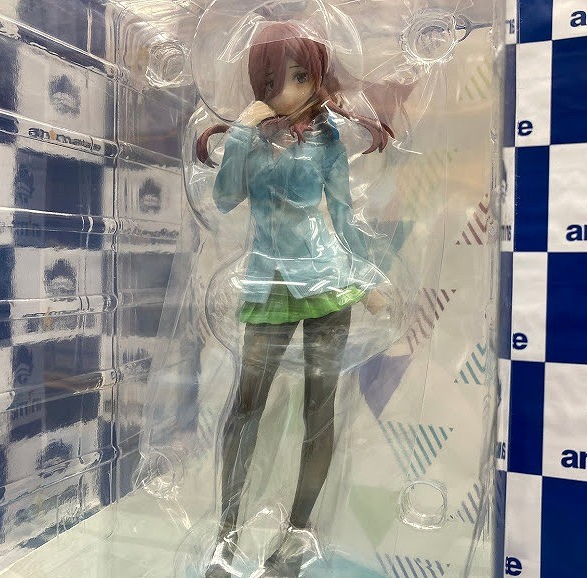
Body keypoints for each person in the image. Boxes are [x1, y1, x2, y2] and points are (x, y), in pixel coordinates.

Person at [195, 21, 393, 577]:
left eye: (300, 76)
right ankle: (225, 537)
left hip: (326, 282)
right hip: (266, 280)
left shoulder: (327, 139)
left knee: (319, 411)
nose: (286, 90)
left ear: (317, 77)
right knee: (245, 405)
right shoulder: (252, 136)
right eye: (273, 80)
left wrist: (367, 278)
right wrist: (240, 131)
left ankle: (297, 537)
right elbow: (226, 198)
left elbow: (343, 216)